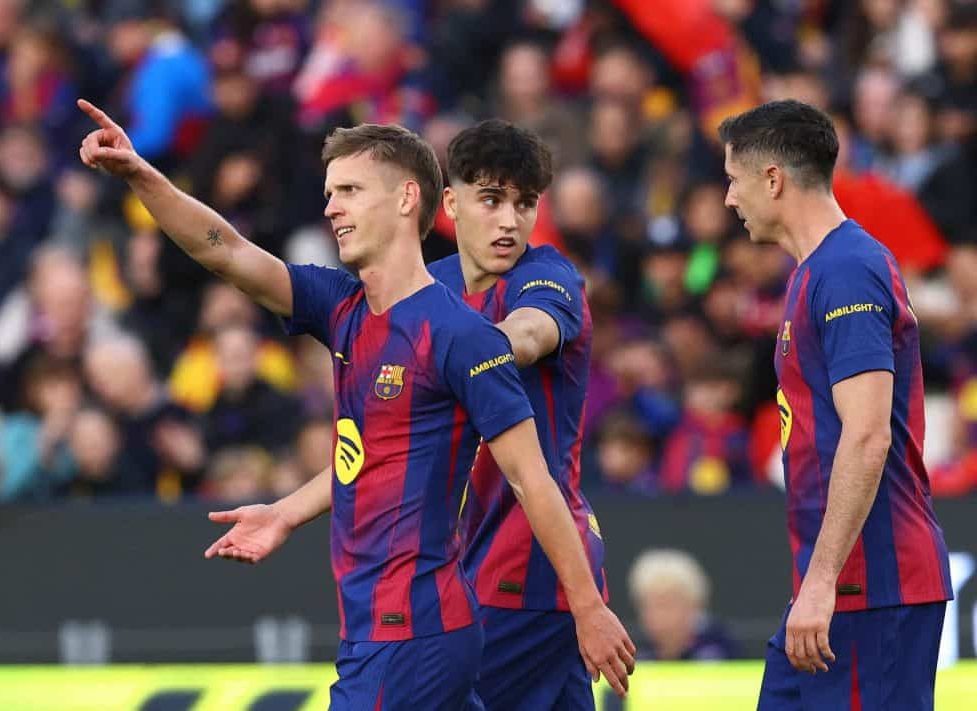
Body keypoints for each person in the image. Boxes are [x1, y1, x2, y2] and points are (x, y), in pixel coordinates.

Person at [77, 100, 634, 708]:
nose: (330, 207)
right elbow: (227, 252)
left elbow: (529, 442)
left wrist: (589, 606)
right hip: (410, 614)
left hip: (430, 620)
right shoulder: (347, 306)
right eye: (329, 191)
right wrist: (142, 176)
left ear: (405, 200)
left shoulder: (478, 323)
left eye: (348, 190)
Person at [719, 99, 952, 711]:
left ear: (773, 179)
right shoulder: (814, 272)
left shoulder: (847, 270)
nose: (728, 200)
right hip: (838, 588)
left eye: (733, 180)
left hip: (872, 585)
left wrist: (823, 582)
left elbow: (868, 434)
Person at [427, 119, 617, 710]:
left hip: (526, 565)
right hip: (484, 565)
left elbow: (530, 332)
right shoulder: (428, 290)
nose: (510, 220)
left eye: (524, 203)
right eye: (491, 199)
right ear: (451, 203)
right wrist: (287, 510)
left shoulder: (546, 275)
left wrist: (465, 351)